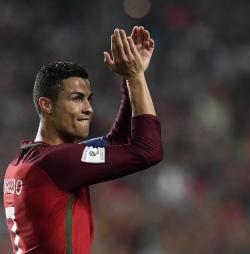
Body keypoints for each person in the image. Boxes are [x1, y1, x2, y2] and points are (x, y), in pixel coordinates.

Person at [2, 26, 163, 254]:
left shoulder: (25, 162)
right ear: (46, 105)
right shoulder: (57, 162)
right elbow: (148, 150)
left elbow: (116, 141)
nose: (88, 108)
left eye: (89, 99)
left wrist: (130, 78)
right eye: (77, 99)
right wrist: (136, 77)